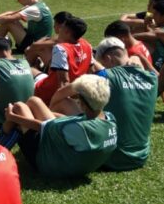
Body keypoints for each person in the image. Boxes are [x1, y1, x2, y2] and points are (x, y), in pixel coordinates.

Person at [59, 38, 157, 171]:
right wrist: (137, 58)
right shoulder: (152, 78)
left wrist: (53, 101)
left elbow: (65, 91)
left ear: (109, 58)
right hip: (140, 156)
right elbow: (150, 70)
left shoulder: (108, 76)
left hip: (112, 156)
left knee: (63, 102)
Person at [1, 75, 117, 178]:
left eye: (77, 97)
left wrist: (12, 116)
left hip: (48, 164)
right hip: (79, 162)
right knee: (34, 101)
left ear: (83, 103)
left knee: (19, 107)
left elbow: (41, 127)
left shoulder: (79, 128)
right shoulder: (110, 119)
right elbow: (67, 122)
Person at [31, 15, 93, 104]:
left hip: (45, 93)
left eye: (62, 28)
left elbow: (63, 84)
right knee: (31, 70)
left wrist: (55, 104)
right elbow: (91, 72)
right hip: (75, 92)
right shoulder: (87, 45)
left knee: (25, 74)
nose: (59, 30)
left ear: (67, 32)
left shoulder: (61, 49)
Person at [133, 0, 164, 72]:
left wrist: (120, 37)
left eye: (155, 14)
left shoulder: (162, 32)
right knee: (146, 43)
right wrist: (146, 24)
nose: (153, 17)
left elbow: (136, 37)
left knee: (138, 46)